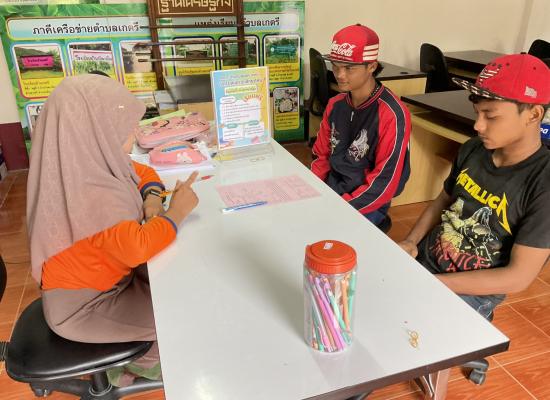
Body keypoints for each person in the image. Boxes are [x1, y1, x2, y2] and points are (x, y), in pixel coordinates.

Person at [26, 74, 199, 386]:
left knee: (175, 282)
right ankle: (130, 368)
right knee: (179, 313)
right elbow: (137, 247)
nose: (134, 133)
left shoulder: (84, 163)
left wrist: (152, 197)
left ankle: (133, 358)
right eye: (123, 125)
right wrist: (177, 212)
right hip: (84, 308)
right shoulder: (93, 194)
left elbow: (142, 171)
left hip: (110, 280)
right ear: (95, 130)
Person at [399, 54, 550, 319]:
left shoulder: (543, 183)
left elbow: (518, 277)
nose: (478, 125)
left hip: (472, 291)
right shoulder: (473, 149)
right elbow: (443, 200)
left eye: (491, 116)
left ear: (533, 114)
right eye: (477, 113)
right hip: (428, 259)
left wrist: (434, 284)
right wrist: (411, 241)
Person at [311, 24, 411, 227]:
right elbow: (321, 156)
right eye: (335, 66)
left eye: (349, 68)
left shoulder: (392, 115)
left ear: (372, 66)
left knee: (327, 232)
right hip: (333, 188)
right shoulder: (335, 104)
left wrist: (339, 208)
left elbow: (384, 183)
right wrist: (312, 191)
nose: (340, 75)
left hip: (368, 201)